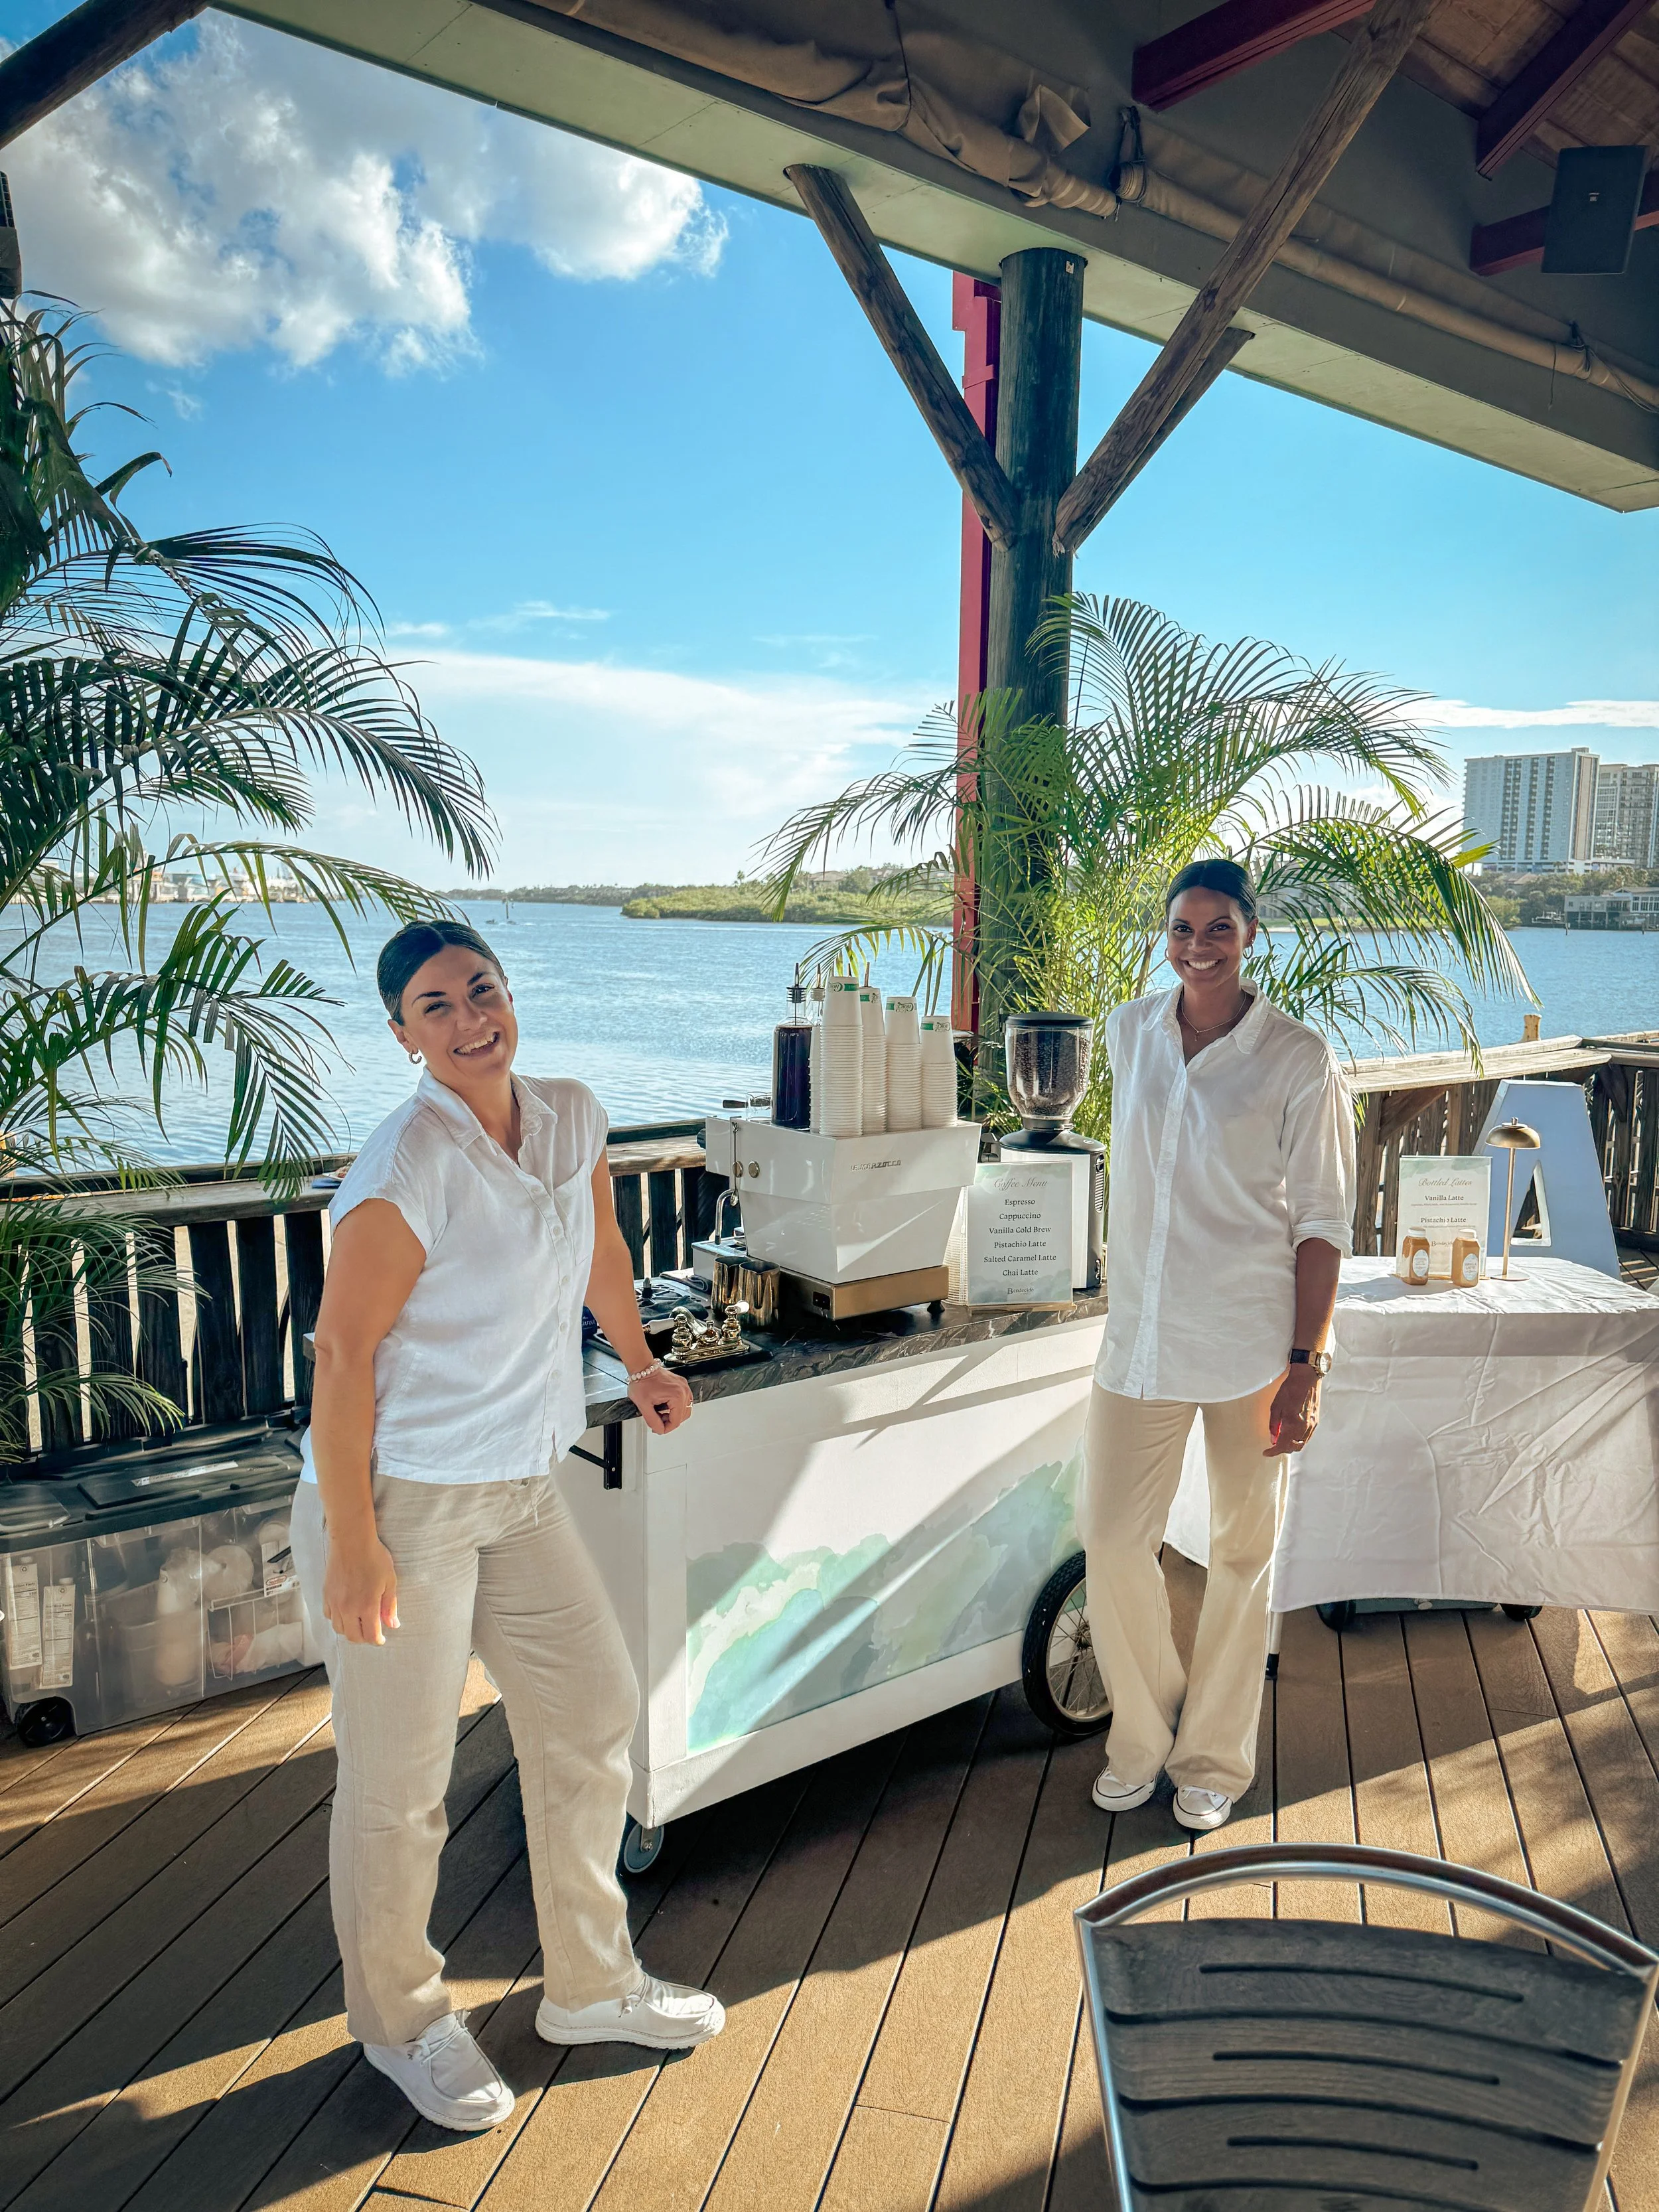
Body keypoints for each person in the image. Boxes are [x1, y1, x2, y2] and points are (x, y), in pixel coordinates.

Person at [292, 918, 723, 2136]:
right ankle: (401, 2021)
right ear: (401, 1035)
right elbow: (341, 1355)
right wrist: (359, 1540)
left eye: (481, 989)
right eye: (435, 1006)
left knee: (593, 1709)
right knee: (401, 1785)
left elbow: (600, 1251)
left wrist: (639, 1362)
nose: (469, 1017)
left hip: (522, 1485)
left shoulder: (573, 1113)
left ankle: (590, 1986)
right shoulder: (406, 1166)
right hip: (403, 1501)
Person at [1081, 859, 1354, 1834]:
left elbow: (1322, 1221)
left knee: (1242, 1554)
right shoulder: (1127, 1031)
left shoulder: (1298, 1056)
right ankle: (1142, 1738)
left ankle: (1214, 1758)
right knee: (1112, 1541)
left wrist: (1304, 1366)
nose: (1199, 948)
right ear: (1167, 936)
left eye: (1219, 930)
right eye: (1184, 930)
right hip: (1139, 1343)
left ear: (1250, 937)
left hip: (1249, 1344)